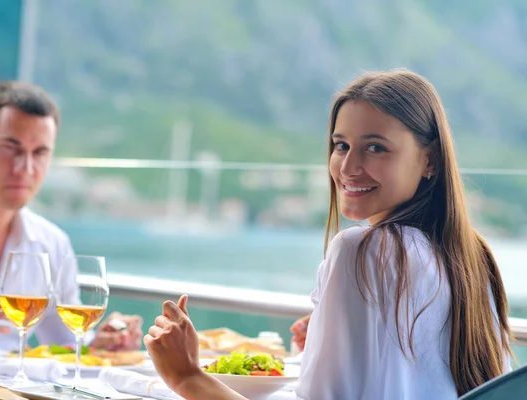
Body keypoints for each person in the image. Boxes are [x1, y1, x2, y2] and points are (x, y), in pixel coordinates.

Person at [143, 69, 514, 399]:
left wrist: (186, 376)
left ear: (429, 159)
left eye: (375, 147)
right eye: (341, 146)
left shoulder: (364, 250)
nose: (348, 168)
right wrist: (331, 337)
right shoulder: (469, 256)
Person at [0, 81, 142, 358]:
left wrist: (99, 343)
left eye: (39, 152)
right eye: (11, 147)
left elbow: (65, 344)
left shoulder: (52, 242)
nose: (25, 168)